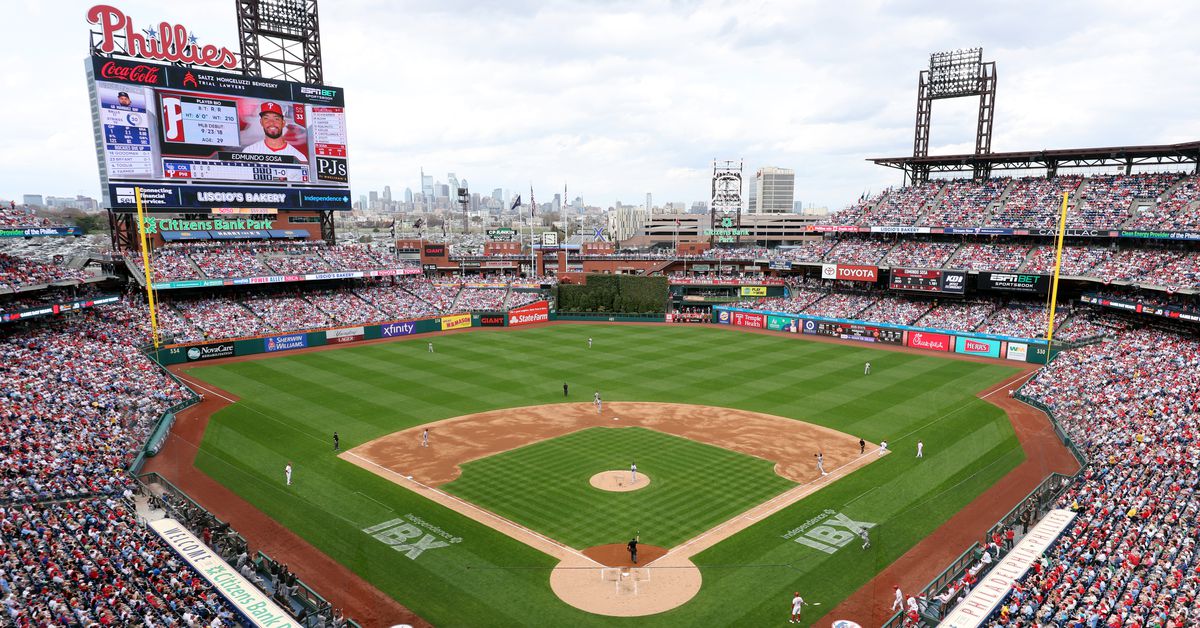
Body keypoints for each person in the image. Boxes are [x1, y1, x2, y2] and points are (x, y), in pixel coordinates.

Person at [241, 102, 308, 161]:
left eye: (276, 119)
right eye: (266, 118)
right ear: (261, 122)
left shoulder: (298, 156)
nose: (271, 123)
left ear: (283, 122)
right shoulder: (249, 151)